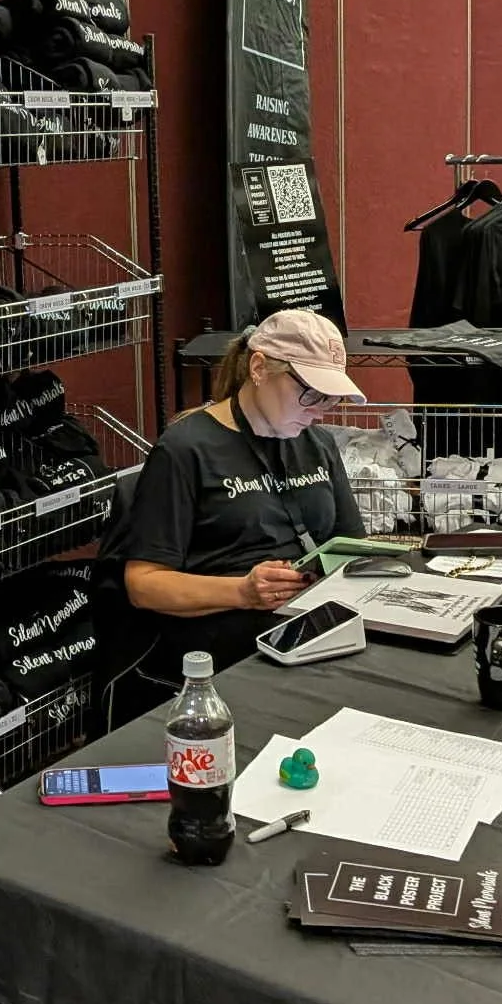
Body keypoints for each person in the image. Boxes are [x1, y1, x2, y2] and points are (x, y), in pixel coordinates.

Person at [92, 309, 365, 726]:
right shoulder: (185, 450)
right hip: (221, 646)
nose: (320, 411)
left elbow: (352, 547)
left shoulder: (317, 444)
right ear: (259, 368)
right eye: (311, 393)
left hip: (305, 629)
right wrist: (242, 591)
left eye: (330, 398)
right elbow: (144, 585)